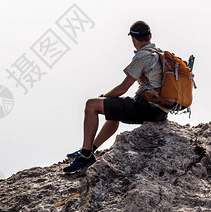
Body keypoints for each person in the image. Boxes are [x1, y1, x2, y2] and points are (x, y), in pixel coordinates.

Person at [63, 20, 169, 173]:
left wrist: (103, 97)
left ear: (133, 39)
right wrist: (108, 100)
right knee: (113, 109)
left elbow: (123, 88)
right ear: (150, 35)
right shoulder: (160, 54)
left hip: (146, 108)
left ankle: (85, 155)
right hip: (161, 111)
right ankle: (90, 149)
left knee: (91, 105)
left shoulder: (143, 56)